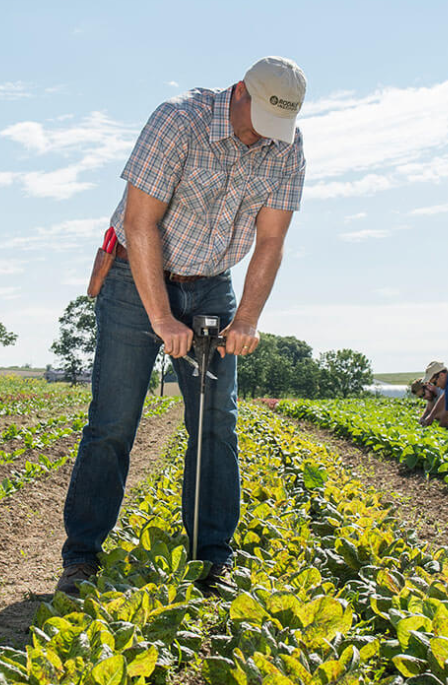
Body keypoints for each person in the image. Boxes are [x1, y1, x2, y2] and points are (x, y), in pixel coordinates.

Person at [58, 56, 307, 597]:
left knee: (217, 423)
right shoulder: (178, 120)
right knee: (113, 421)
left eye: (277, 126)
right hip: (134, 277)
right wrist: (162, 317)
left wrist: (247, 318)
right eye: (259, 120)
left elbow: (271, 241)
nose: (262, 136)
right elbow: (139, 222)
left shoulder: (287, 148)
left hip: (211, 282)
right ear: (239, 91)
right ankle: (81, 558)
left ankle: (211, 559)